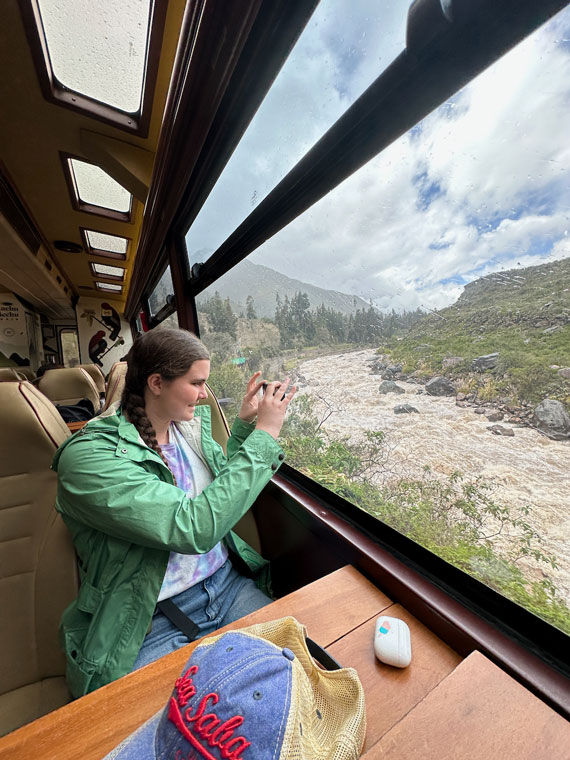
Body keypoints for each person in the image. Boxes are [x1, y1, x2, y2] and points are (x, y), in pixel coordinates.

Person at [52, 328, 296, 698]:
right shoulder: (88, 458)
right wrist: (266, 434)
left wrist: (245, 427)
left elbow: (220, 491)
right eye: (197, 383)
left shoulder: (187, 431)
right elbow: (193, 527)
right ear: (156, 383)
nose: (204, 395)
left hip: (226, 588)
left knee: (295, 676)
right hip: (149, 620)